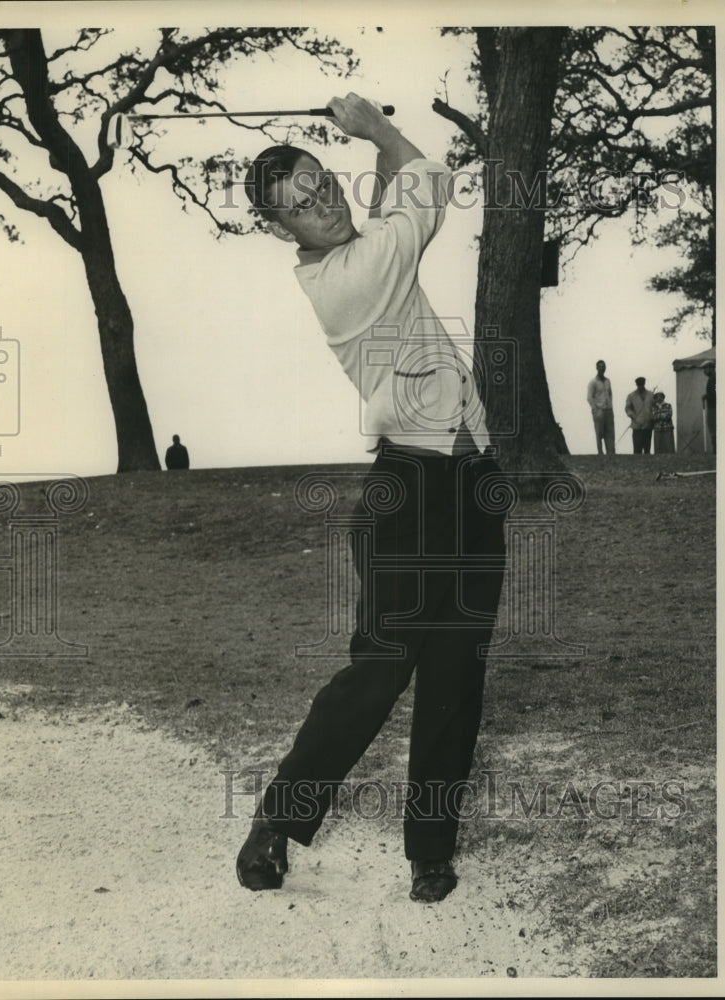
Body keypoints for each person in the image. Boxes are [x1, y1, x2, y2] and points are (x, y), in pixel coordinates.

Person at [236, 94, 507, 903]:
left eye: (322, 183)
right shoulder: (344, 284)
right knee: (381, 670)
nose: (323, 202)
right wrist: (375, 127)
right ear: (282, 231)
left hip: (471, 481)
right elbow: (428, 181)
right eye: (300, 205)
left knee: (456, 673)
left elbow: (400, 193)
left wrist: (379, 150)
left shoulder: (369, 250)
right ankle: (277, 822)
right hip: (406, 493)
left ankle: (431, 845)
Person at [586, 359, 615, 455]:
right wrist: (596, 410)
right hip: (599, 411)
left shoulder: (608, 381)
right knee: (599, 434)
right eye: (600, 366)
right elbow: (589, 398)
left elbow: (610, 394)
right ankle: (600, 454)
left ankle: (611, 454)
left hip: (609, 411)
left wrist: (610, 406)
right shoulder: (593, 382)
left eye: (603, 367)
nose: (602, 368)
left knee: (610, 433)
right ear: (597, 368)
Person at [625, 377, 654, 454]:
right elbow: (628, 409)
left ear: (644, 384)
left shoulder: (651, 394)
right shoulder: (631, 396)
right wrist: (634, 417)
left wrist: (651, 417)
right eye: (639, 385)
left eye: (642, 384)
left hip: (648, 426)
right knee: (637, 450)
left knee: (647, 449)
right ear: (636, 385)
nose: (640, 386)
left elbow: (654, 407)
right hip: (637, 427)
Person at [702, 361, 716, 454]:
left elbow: (714, 394)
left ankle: (716, 450)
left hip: (713, 408)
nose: (704, 371)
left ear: (711, 368)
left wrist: (706, 396)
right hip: (712, 407)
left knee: (713, 428)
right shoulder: (712, 378)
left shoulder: (713, 379)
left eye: (705, 368)